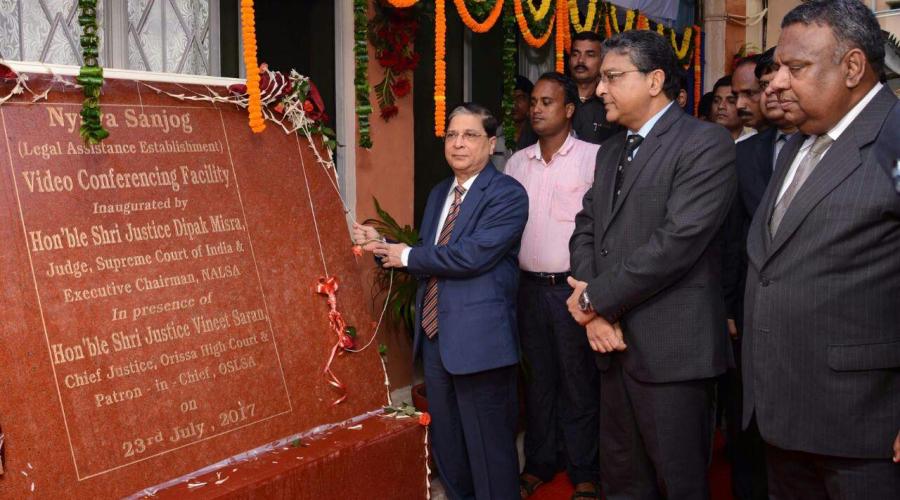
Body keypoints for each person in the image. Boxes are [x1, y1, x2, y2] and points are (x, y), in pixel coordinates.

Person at [567, 30, 736, 499]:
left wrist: (593, 300)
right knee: (622, 481)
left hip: (672, 352)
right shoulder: (611, 151)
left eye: (612, 77)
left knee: (678, 483)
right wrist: (593, 307)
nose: (600, 90)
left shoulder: (706, 144)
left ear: (655, 80)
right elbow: (586, 228)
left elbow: (675, 245)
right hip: (612, 350)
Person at [742, 1, 900, 497]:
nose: (775, 82)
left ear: (852, 67)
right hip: (783, 415)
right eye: (776, 68)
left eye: (796, 68)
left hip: (861, 427)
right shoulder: (794, 143)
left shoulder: (894, 138)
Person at [353, 103, 529, 500]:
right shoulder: (439, 193)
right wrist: (384, 246)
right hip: (436, 341)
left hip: (480, 346)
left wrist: (408, 255)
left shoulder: (507, 195)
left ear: (491, 142)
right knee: (449, 449)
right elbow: (430, 253)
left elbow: (471, 255)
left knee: (490, 454)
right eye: (452, 135)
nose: (458, 143)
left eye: (469, 135)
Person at [505, 72, 600, 499]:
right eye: (535, 102)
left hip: (571, 290)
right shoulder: (515, 162)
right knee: (539, 380)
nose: (538, 108)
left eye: (548, 102)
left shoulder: (594, 158)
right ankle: (542, 461)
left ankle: (585, 469)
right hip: (526, 289)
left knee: (578, 380)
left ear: (568, 110)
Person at [720, 46, 801, 500]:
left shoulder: (825, 145)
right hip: (749, 307)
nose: (764, 96)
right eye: (753, 89)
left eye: (768, 85)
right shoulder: (744, 153)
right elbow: (730, 237)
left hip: (810, 310)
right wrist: (729, 305)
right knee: (746, 418)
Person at [569, 30, 621, 144]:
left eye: (590, 55)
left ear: (602, 61)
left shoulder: (612, 103)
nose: (581, 60)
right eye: (575, 54)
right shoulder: (556, 98)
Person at [731, 54, 767, 134]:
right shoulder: (743, 145)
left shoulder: (797, 142)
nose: (739, 105)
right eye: (735, 96)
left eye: (749, 93)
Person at [712, 75, 749, 142]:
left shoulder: (753, 145)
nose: (721, 106)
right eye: (716, 100)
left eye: (731, 101)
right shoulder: (702, 144)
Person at [514, 75, 539, 150]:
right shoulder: (495, 134)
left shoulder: (539, 134)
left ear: (531, 102)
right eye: (509, 99)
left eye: (520, 98)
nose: (513, 104)